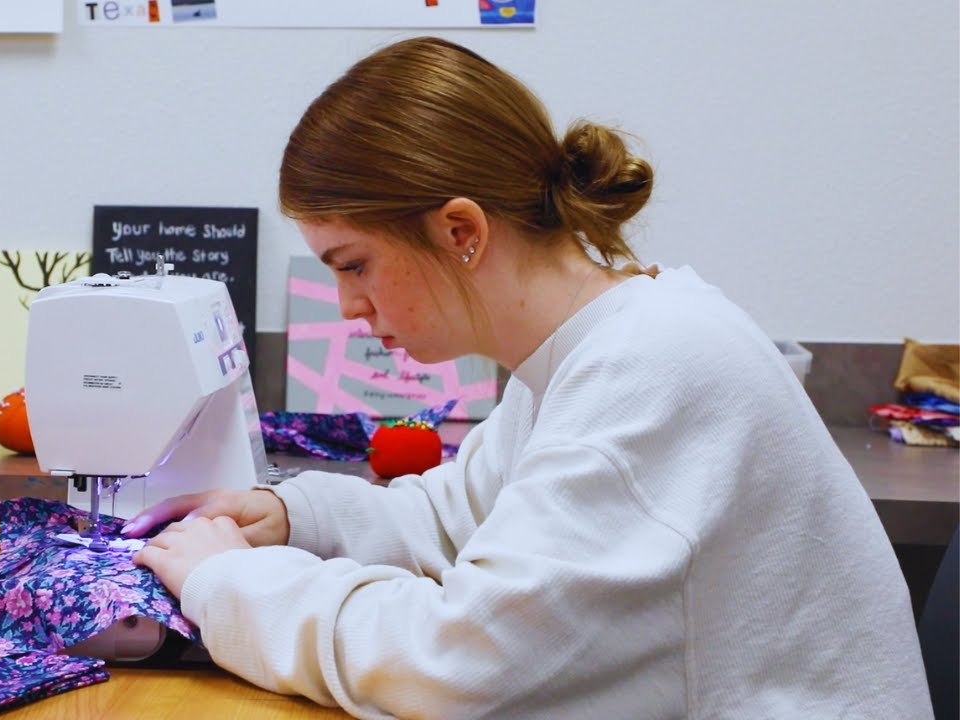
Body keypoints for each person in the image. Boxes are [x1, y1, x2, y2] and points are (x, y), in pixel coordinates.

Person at [128, 36, 932, 719]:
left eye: (355, 264)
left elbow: (455, 667)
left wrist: (230, 583)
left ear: (461, 231)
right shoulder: (593, 350)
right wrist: (290, 518)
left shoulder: (650, 372)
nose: (347, 306)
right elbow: (457, 520)